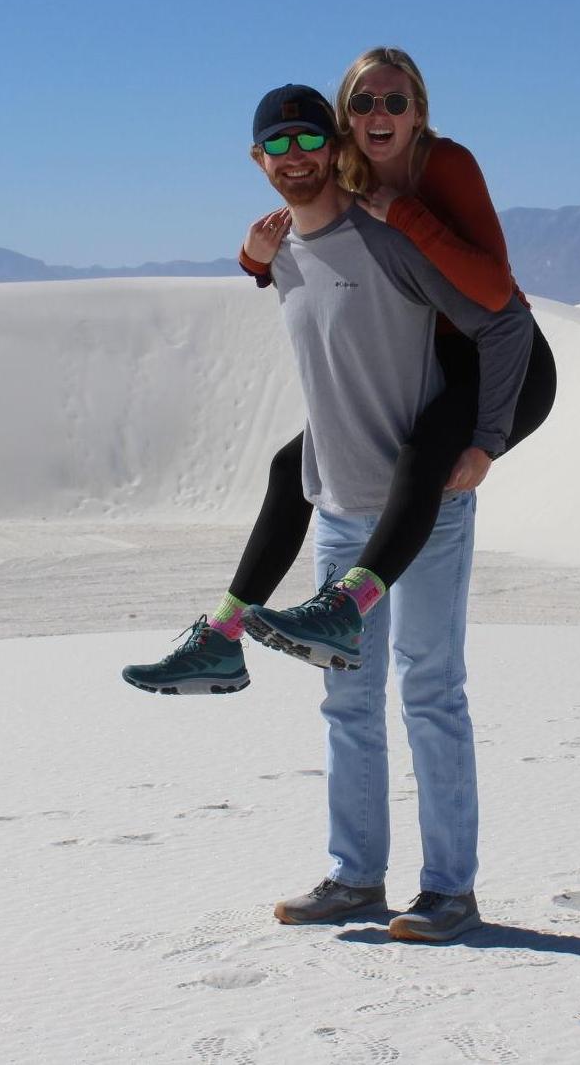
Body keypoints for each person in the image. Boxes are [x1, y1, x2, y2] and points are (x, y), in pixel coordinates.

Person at [121, 48, 555, 694]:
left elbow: (499, 302)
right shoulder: (349, 183)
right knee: (290, 466)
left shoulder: (443, 166)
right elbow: (317, 251)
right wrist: (255, 259)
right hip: (443, 352)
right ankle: (223, 634)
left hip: (507, 362)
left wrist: (488, 440)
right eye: (363, 102)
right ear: (346, 121)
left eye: (395, 102)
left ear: (419, 112)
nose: (379, 113)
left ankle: (345, 606)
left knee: (422, 456)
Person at [244, 83, 533, 940]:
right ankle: (354, 875)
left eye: (306, 139)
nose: (293, 157)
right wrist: (256, 258)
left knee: (431, 691)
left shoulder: (388, 235)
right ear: (258, 161)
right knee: (347, 701)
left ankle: (451, 889)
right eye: (276, 145)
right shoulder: (281, 252)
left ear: (331, 144)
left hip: (426, 508)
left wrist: (484, 441)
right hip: (337, 510)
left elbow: (502, 322)